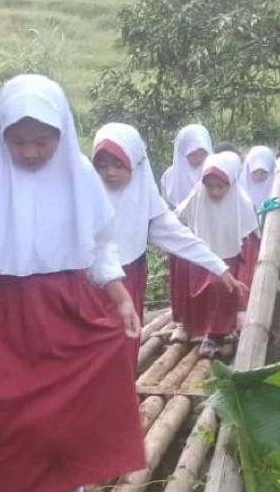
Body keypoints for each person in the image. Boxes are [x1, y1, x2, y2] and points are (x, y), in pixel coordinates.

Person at [0, 75, 145, 492]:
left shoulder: (79, 178)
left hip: (70, 309)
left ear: (62, 134)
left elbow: (100, 248)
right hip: (4, 315)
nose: (29, 152)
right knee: (2, 421)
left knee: (71, 414)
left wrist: (119, 299)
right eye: (18, 141)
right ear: (0, 134)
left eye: (42, 141)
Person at [91, 123, 247, 319]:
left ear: (137, 164)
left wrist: (219, 268)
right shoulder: (84, 199)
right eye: (102, 166)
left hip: (130, 278)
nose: (110, 173)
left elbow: (180, 237)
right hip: (89, 285)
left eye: (118, 165)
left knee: (124, 340)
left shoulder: (146, 205)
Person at [173, 152, 261, 358]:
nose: (213, 191)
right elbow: (179, 218)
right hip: (200, 257)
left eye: (220, 186)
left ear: (231, 183)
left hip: (230, 259)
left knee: (219, 289)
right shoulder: (198, 194)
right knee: (197, 287)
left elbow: (249, 239)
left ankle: (215, 333)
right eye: (209, 185)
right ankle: (197, 328)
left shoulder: (242, 203)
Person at [159, 123, 213, 208]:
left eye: (202, 154)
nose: (198, 159)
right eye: (192, 154)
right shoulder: (169, 177)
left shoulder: (214, 174)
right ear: (182, 153)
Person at [243, 145, 276, 212]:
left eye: (264, 172)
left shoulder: (276, 186)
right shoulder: (241, 186)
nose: (259, 176)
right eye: (254, 172)